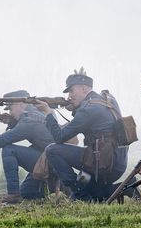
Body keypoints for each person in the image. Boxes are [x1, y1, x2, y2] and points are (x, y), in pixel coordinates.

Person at [35, 68, 128, 202]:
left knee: (52, 150)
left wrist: (48, 113)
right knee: (94, 195)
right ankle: (123, 188)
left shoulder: (88, 109)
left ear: (84, 88)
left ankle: (81, 195)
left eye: (72, 90)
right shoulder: (106, 99)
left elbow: (59, 137)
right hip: (116, 162)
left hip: (102, 165)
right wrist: (76, 109)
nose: (69, 96)